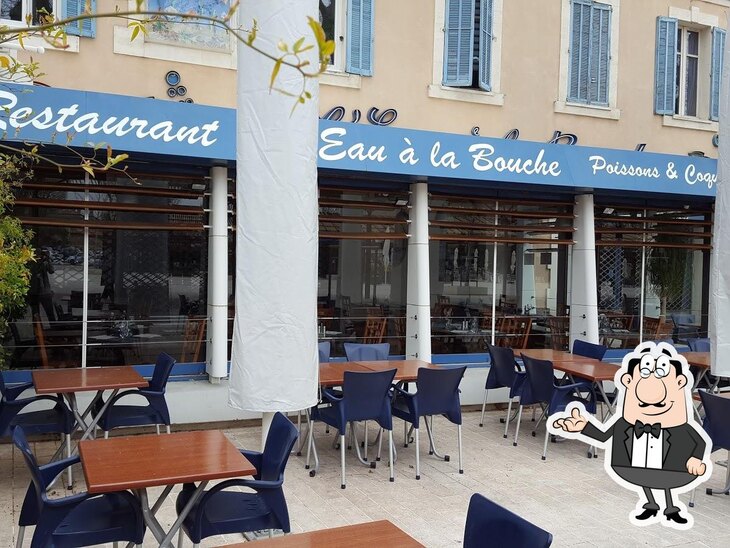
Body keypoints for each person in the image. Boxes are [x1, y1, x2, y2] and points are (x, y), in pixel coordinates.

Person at [551, 342, 711, 529]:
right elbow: (603, 436)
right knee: (646, 478)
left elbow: (699, 441)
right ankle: (650, 504)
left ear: (679, 384)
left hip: (672, 470)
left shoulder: (680, 428)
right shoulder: (625, 423)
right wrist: (583, 427)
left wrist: (695, 458)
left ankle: (670, 508)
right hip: (635, 467)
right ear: (628, 382)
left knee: (664, 481)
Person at [28, 248, 56, 322]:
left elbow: (51, 270)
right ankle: (37, 331)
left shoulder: (44, 262)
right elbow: (35, 271)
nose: (38, 256)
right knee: (36, 315)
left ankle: (54, 330)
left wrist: (48, 259)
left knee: (50, 313)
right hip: (34, 291)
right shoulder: (31, 262)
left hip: (44, 291)